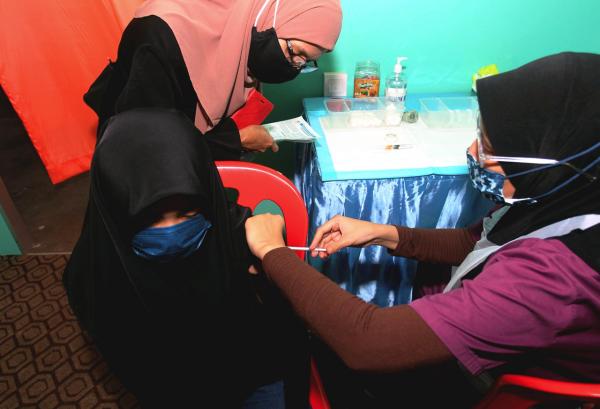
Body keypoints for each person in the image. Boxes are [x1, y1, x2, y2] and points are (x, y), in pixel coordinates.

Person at [244, 52, 600, 407]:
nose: (473, 151)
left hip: (486, 384)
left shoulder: (554, 278)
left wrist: (272, 251)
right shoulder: (564, 191)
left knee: (326, 357)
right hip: (485, 345)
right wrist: (382, 233)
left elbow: (369, 343)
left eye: (490, 148)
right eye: (480, 135)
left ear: (550, 160)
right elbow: (476, 242)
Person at [62, 108, 310, 408]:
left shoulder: (234, 231)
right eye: (149, 217)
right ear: (115, 211)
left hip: (251, 374)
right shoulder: (93, 277)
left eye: (188, 212)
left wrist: (269, 262)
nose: (171, 231)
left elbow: (280, 330)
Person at [84, 0, 342, 159]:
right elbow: (147, 149)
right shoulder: (160, 37)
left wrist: (236, 139)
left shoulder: (243, 36)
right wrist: (238, 140)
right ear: (274, 16)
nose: (294, 67)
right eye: (294, 52)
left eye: (305, 63)